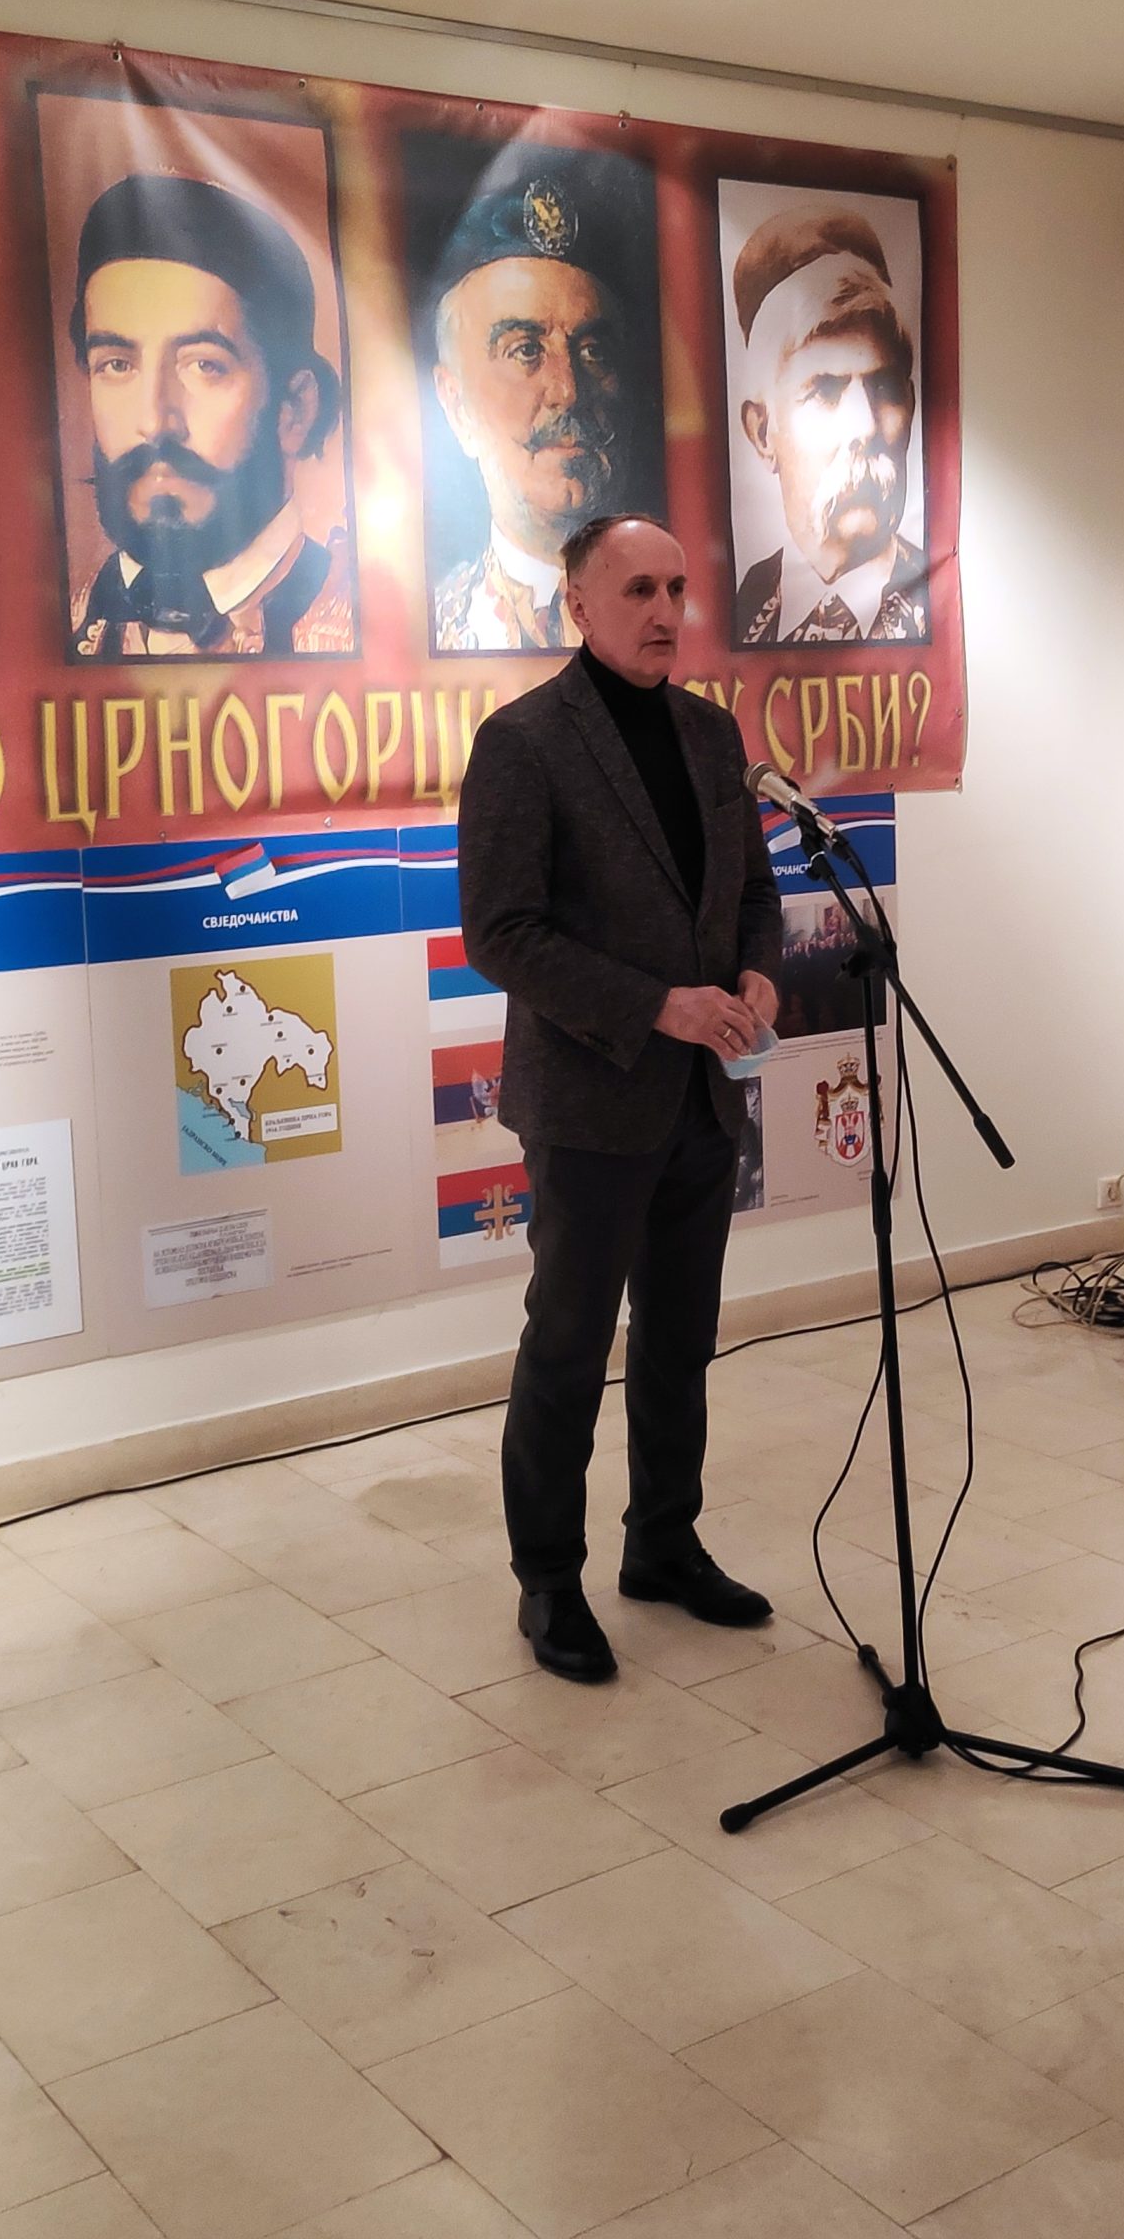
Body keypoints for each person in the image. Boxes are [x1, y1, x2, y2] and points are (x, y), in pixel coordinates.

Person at [457, 511, 783, 1681]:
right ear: (579, 604)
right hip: (592, 1102)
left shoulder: (711, 732)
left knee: (681, 1339)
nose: (664, 611)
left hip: (702, 1098)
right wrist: (658, 1006)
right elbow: (502, 933)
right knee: (570, 1343)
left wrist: (757, 971)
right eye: (638, 589)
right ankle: (549, 1578)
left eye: (677, 588)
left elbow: (751, 895)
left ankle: (663, 1542)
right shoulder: (523, 742)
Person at [68, 173, 353, 659]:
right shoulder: (74, 619)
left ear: (296, 410)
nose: (155, 422)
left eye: (205, 366)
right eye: (117, 364)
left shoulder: (353, 616)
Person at [430, 166, 637, 653]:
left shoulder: (687, 617)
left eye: (593, 352)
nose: (568, 390)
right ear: (457, 407)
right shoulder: (432, 629)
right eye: (525, 350)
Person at [731, 205, 927, 646]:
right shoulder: (741, 603)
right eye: (825, 390)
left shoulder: (940, 608)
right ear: (762, 433)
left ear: (912, 406)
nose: (865, 426)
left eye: (884, 388)